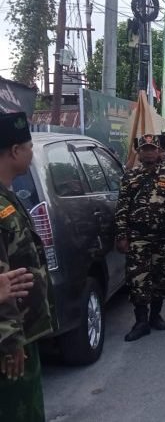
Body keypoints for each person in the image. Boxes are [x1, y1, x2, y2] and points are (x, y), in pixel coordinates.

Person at [0, 112, 56, 421]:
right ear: (14, 151)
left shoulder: (8, 196)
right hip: (10, 342)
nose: (31, 153)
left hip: (23, 332)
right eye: (29, 146)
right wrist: (9, 340)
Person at [115, 135, 165, 342]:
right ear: (139, 152)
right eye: (145, 149)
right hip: (138, 237)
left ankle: (155, 316)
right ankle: (140, 322)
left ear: (159, 151)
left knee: (162, 277)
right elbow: (122, 208)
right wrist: (122, 235)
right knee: (138, 280)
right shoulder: (129, 177)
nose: (149, 152)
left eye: (152, 149)